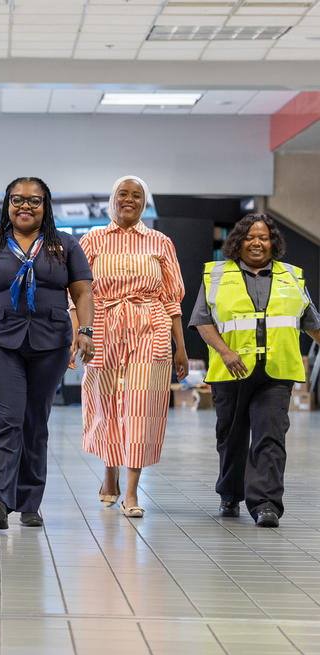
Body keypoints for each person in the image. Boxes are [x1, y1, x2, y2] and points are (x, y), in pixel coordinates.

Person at [0, 177, 94, 530]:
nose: (25, 206)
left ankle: (29, 502)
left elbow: (84, 293)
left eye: (34, 201)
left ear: (46, 206)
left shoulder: (65, 246)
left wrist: (85, 331)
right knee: (6, 418)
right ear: (7, 205)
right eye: (18, 200)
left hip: (51, 342)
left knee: (34, 422)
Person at [190, 213, 320, 528]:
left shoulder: (292, 277)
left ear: (273, 242)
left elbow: (312, 323)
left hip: (276, 373)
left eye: (263, 237)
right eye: (250, 237)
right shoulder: (217, 274)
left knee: (270, 437)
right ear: (238, 242)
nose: (257, 242)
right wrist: (225, 352)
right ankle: (230, 495)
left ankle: (266, 505)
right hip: (230, 371)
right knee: (231, 438)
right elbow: (202, 321)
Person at [74, 176, 187, 518]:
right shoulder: (92, 240)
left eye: (137, 195)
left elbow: (172, 299)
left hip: (149, 329)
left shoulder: (160, 242)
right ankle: (110, 472)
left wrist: (181, 348)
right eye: (123, 194)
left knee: (142, 406)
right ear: (112, 199)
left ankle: (132, 492)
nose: (129, 200)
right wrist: (79, 333)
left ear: (144, 202)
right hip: (104, 328)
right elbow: (77, 293)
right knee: (105, 401)